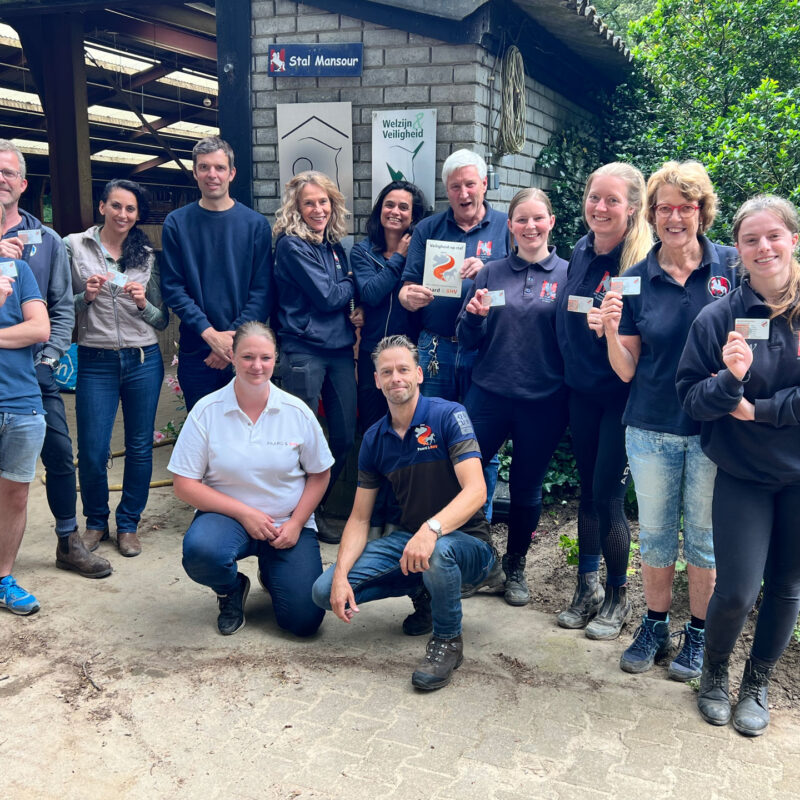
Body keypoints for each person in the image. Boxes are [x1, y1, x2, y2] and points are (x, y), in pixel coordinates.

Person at [600, 160, 737, 678]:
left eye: (686, 206)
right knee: (656, 534)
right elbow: (627, 370)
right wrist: (612, 332)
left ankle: (697, 637)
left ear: (702, 211)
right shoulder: (635, 280)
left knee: (702, 538)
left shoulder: (731, 268)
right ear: (652, 215)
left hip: (714, 430)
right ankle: (655, 625)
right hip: (651, 428)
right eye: (665, 208)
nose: (675, 217)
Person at [677, 195, 800, 736]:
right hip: (744, 475)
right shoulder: (720, 318)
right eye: (750, 240)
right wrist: (729, 383)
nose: (763, 247)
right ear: (739, 252)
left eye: (773, 235)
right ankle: (715, 674)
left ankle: (758, 681)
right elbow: (690, 399)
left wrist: (759, 409)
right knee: (737, 590)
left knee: (787, 588)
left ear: (793, 238)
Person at [312, 335, 495, 691]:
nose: (396, 377)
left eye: (403, 369)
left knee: (439, 550)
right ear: (377, 380)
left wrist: (432, 529)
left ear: (419, 375)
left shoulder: (449, 415)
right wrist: (340, 574)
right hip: (413, 545)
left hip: (468, 545)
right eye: (387, 371)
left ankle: (447, 642)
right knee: (322, 591)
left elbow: (477, 491)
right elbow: (360, 519)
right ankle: (425, 593)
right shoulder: (374, 439)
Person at [169, 322, 333, 637]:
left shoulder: (295, 411)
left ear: (276, 360)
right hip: (227, 520)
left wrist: (297, 523)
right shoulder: (207, 411)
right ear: (232, 357)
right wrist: (245, 513)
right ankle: (230, 589)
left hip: (285, 524)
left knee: (304, 622)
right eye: (247, 357)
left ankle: (274, 571)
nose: (256, 366)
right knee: (202, 551)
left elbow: (320, 473)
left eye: (265, 358)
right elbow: (184, 484)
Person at [554, 163, 652, 638]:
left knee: (609, 497)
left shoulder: (640, 266)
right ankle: (586, 587)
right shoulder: (580, 250)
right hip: (581, 391)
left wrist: (614, 333)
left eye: (612, 200)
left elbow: (652, 339)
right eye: (595, 197)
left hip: (620, 397)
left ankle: (617, 597)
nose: (601, 207)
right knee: (587, 494)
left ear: (632, 208)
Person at [457, 188, 568, 606]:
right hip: (488, 394)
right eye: (521, 219)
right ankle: (479, 562)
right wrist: (474, 317)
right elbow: (465, 338)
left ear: (551, 222)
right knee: (460, 475)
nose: (530, 226)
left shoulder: (567, 276)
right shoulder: (490, 273)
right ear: (512, 225)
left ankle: (515, 566)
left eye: (538, 218)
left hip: (543, 401)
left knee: (526, 489)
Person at [0, 139, 103, 577]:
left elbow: (61, 306)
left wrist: (49, 356)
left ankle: (67, 540)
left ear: (22, 184)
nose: (0, 180)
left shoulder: (45, 240)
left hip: (32, 373)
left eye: (7, 173)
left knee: (59, 455)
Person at [399, 149, 505, 540]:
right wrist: (408, 296)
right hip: (435, 349)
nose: (464, 193)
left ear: (484, 185)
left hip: (487, 351)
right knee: (432, 438)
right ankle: (436, 532)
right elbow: (406, 285)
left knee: (481, 445)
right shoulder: (428, 229)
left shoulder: (508, 228)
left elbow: (518, 295)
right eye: (455, 186)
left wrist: (492, 273)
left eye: (470, 184)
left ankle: (480, 539)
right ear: (447, 190)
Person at [66, 179, 169, 559]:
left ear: (137, 215)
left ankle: (128, 524)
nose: (123, 214)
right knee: (93, 449)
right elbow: (59, 306)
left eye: (131, 209)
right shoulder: (73, 245)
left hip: (143, 359)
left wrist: (144, 304)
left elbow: (161, 321)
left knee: (140, 446)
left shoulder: (146, 256)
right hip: (96, 359)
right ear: (102, 207)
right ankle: (95, 521)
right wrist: (85, 296)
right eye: (117, 206)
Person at [273, 170, 361, 544]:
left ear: (332, 204)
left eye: (323, 201)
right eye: (309, 202)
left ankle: (314, 507)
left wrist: (348, 296)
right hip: (303, 349)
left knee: (342, 436)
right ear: (296, 207)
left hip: (339, 350)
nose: (317, 208)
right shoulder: (292, 246)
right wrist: (355, 281)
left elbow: (337, 297)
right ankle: (292, 514)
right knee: (297, 439)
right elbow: (328, 297)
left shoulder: (335, 246)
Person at [161, 136, 273, 412]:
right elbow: (173, 288)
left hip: (246, 353)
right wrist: (211, 335)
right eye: (204, 167)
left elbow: (263, 290)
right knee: (203, 441)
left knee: (248, 436)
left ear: (231, 173)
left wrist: (232, 342)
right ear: (195, 172)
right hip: (197, 352)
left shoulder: (256, 225)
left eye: (220, 168)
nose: (212, 174)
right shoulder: (177, 223)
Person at [351, 180, 426, 540]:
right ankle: (372, 516)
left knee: (406, 438)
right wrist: (398, 260)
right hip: (372, 357)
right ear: (379, 209)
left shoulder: (422, 252)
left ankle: (399, 518)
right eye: (389, 205)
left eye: (404, 207)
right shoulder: (361, 252)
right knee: (375, 435)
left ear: (414, 216)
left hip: (409, 358)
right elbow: (370, 292)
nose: (395, 212)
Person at [0, 220, 50, 614]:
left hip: (21, 400)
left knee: (15, 494)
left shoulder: (17, 271)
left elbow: (39, 328)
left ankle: (3, 578)